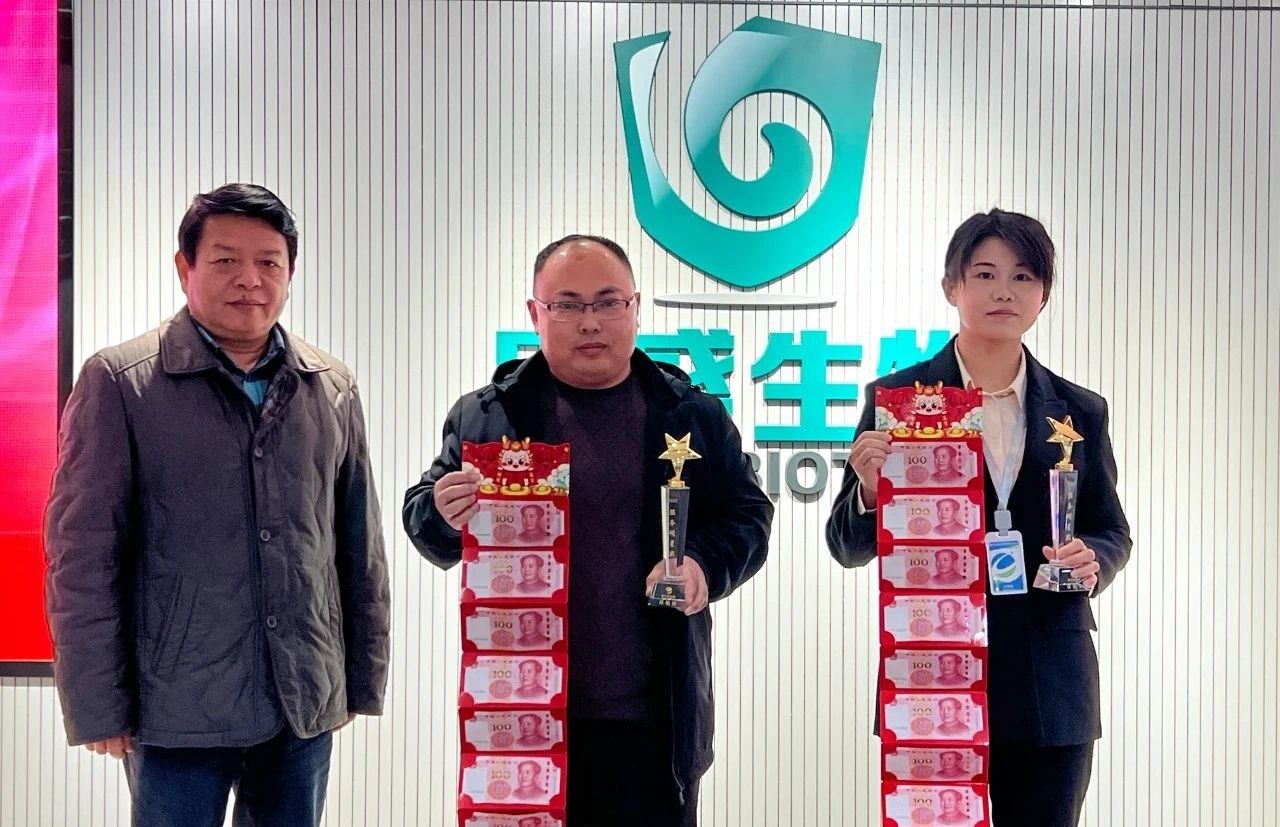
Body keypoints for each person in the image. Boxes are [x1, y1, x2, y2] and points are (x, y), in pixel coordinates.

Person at [43, 183, 391, 826]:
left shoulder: (329, 385)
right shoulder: (121, 383)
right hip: (174, 706)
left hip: (300, 697)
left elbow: (357, 545)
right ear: (186, 268)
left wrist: (358, 679)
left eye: (269, 262)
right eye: (226, 260)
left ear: (290, 272)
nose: (250, 279)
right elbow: (82, 557)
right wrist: (97, 705)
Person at [404, 234, 773, 826]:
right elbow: (425, 519)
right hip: (524, 717)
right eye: (568, 305)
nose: (590, 322)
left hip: (655, 722)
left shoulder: (690, 414)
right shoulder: (489, 415)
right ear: (535, 313)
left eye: (608, 302)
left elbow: (749, 515)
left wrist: (704, 565)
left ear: (635, 307)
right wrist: (442, 512)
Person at [827, 208, 1132, 825]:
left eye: (1023, 277)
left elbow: (1111, 529)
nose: (1004, 292)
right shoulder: (900, 402)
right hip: (933, 678)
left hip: (1052, 683)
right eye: (985, 274)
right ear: (952, 287)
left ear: (1043, 294)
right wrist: (871, 492)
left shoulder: (1079, 410)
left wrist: (1093, 558)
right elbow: (846, 544)